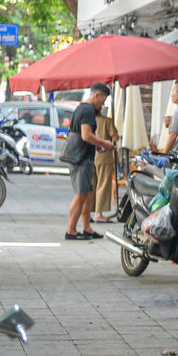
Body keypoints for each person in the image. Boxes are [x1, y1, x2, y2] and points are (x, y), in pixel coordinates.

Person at [66, 83, 117, 241]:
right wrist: (104, 143)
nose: (103, 104)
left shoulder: (81, 108)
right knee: (81, 195)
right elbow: (86, 135)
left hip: (84, 156)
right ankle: (71, 230)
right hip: (81, 159)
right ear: (97, 95)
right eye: (104, 100)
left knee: (88, 194)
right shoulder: (88, 110)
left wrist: (97, 146)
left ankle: (87, 228)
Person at [91, 108, 120, 222]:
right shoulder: (107, 121)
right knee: (103, 184)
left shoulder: (89, 121)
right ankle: (99, 213)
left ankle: (88, 212)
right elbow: (115, 137)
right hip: (104, 156)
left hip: (91, 155)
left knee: (92, 185)